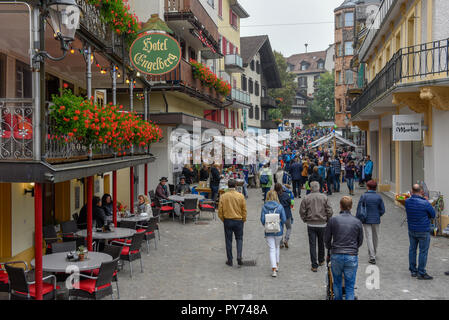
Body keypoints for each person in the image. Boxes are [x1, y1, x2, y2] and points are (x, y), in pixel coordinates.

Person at [325, 196, 363, 300]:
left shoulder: (333, 220)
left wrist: (330, 248)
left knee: (337, 282)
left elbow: (327, 238)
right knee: (350, 285)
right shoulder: (357, 222)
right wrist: (354, 248)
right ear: (351, 207)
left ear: (340, 206)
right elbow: (360, 241)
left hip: (336, 254)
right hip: (351, 255)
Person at [300, 181, 333, 272]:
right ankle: (321, 260)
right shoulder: (324, 197)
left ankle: (314, 265)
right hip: (322, 223)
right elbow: (330, 210)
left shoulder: (306, 198)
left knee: (312, 244)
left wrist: (305, 219)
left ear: (311, 188)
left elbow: (302, 211)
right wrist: (327, 219)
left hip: (311, 223)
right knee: (322, 242)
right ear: (319, 188)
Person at [405, 184, 436, 280]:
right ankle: (421, 272)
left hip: (412, 229)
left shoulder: (407, 201)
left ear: (412, 191)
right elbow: (433, 214)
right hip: (423, 230)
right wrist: (425, 200)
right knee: (423, 251)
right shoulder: (425, 203)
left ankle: (413, 270)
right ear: (421, 191)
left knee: (412, 250)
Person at [218, 179, 247, 267]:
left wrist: (223, 219)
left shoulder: (223, 196)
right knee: (239, 239)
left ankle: (230, 260)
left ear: (228, 185)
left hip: (228, 220)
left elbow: (220, 210)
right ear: (236, 186)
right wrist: (243, 219)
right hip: (238, 220)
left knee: (228, 240)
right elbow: (244, 210)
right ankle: (239, 256)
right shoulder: (240, 196)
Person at [356, 180, 385, 264]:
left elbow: (359, 208)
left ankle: (372, 256)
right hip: (376, 219)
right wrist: (378, 215)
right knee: (376, 237)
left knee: (369, 237)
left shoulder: (364, 196)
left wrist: (358, 218)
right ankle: (374, 253)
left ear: (368, 187)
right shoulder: (379, 197)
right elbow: (382, 210)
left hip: (366, 219)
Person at [260, 190, 287, 277]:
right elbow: (284, 219)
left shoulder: (264, 207)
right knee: (277, 247)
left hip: (268, 231)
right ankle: (277, 264)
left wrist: (267, 224)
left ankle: (274, 268)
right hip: (278, 230)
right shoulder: (280, 206)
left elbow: (263, 220)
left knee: (272, 249)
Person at [275, 183, 293, 249]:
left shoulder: (275, 196)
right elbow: (291, 203)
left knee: (280, 228)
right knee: (289, 227)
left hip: (279, 214)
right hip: (287, 213)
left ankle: (281, 243)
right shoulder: (286, 195)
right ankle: (286, 239)